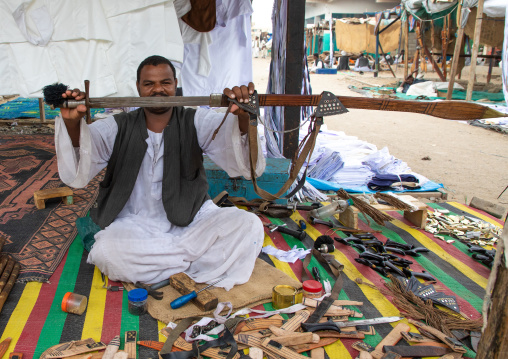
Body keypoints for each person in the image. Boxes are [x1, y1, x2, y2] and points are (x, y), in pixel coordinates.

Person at [55, 55, 266, 290]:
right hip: (134, 224)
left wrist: (244, 117)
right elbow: (85, 153)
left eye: (165, 83)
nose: (158, 90)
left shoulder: (195, 120)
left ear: (175, 84)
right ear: (138, 88)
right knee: (108, 252)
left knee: (249, 225)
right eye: (149, 84)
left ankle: (164, 264)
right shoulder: (118, 125)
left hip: (192, 220)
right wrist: (73, 124)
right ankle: (195, 261)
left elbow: (238, 153)